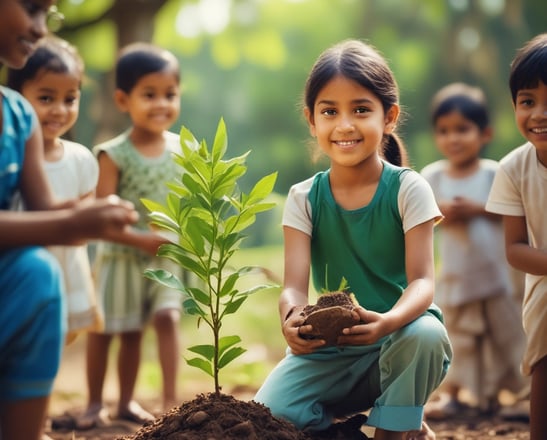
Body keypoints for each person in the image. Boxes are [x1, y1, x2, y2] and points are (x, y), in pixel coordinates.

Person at [254, 39, 452, 440]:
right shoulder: (304, 197)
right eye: (330, 111)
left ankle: (393, 431)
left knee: (427, 335)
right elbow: (293, 286)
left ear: (389, 116)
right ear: (312, 120)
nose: (345, 125)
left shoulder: (408, 188)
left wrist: (388, 323)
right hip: (332, 348)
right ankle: (351, 431)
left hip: (398, 338)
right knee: (270, 413)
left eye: (361, 110)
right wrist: (290, 318)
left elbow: (423, 282)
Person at [0, 1, 138, 439]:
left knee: (39, 273)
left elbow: (46, 209)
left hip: (16, 271)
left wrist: (94, 214)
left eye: (49, 15)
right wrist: (73, 224)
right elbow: (56, 224)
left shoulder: (15, 116)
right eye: (32, 9)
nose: (41, 30)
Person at [77, 42, 185, 429]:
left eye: (170, 94)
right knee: (111, 330)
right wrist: (139, 238)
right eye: (149, 95)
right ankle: (94, 402)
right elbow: (101, 218)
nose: (161, 104)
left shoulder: (182, 150)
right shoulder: (114, 153)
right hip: (122, 255)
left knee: (165, 318)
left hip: (165, 255)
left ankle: (170, 403)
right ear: (123, 100)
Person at [420, 83, 527, 419]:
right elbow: (422, 214)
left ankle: (521, 395)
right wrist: (442, 213)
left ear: (485, 134)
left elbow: (514, 210)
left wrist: (479, 209)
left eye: (463, 129)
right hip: (456, 276)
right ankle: (454, 393)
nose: (453, 138)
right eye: (444, 131)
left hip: (498, 278)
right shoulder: (432, 176)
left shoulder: (495, 172)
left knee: (508, 338)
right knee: (460, 339)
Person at [7, 35, 103, 345]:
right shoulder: (11, 157)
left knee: (57, 342)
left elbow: (88, 222)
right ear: (18, 95)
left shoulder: (81, 159)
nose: (59, 110)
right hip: (23, 271)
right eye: (46, 98)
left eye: (70, 99)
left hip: (68, 270)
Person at [485, 33, 547, 440]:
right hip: (544, 289)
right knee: (544, 365)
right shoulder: (512, 169)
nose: (539, 113)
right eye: (528, 101)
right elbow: (514, 249)